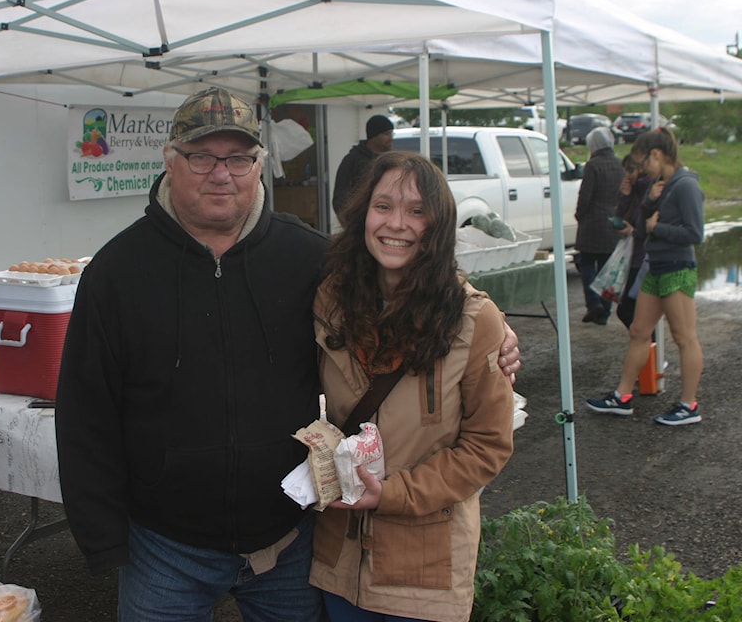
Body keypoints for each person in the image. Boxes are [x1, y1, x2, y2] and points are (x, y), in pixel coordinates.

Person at [54, 87, 521, 621]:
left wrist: (492, 322)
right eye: (201, 156)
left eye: (238, 158)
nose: (221, 173)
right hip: (164, 548)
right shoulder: (117, 273)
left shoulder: (309, 257)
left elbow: (403, 270)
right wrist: (103, 538)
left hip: (290, 539)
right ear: (170, 160)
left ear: (260, 165)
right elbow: (84, 413)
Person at [311, 151, 515, 621]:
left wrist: (394, 493)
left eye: (416, 210)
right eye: (383, 206)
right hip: (337, 562)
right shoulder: (330, 299)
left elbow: (488, 446)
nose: (396, 223)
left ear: (438, 225)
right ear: (363, 214)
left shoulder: (472, 319)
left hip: (422, 573)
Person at [586, 127, 705, 426]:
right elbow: (639, 228)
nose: (642, 170)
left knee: (684, 338)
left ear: (657, 154)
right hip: (655, 268)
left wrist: (657, 229)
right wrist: (650, 203)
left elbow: (695, 233)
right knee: (639, 331)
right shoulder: (659, 185)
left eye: (644, 162)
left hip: (677, 269)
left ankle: (689, 405)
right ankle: (622, 396)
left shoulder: (686, 185)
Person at [574, 126, 626, 325]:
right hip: (613, 223)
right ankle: (605, 312)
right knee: (607, 269)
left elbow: (585, 195)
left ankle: (594, 303)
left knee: (587, 265)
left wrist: (579, 214)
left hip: (592, 223)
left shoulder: (593, 165)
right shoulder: (620, 164)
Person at [614, 153, 654, 328]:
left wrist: (633, 231)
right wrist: (625, 196)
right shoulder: (635, 192)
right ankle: (645, 343)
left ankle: (647, 343)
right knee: (630, 309)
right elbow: (621, 217)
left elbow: (646, 226)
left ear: (640, 169)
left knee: (628, 308)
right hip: (633, 256)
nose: (627, 175)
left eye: (630, 170)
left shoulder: (648, 190)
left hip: (642, 257)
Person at [332, 114, 394, 216]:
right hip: (360, 221)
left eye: (392, 134)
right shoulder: (352, 160)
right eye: (386, 134)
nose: (391, 138)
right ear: (374, 136)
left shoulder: (391, 160)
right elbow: (340, 197)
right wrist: (349, 223)